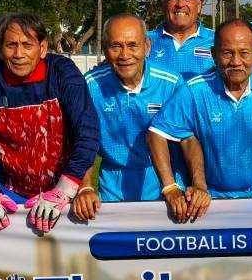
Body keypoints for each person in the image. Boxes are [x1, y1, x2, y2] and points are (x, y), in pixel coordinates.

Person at [148, 19, 252, 221]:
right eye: (227, 53)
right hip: (210, 199)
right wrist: (170, 187)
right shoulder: (194, 89)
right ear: (213, 55)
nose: (236, 61)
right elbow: (156, 133)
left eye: (244, 53)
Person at [0, 13, 101, 234]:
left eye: (27, 45)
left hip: (63, 191)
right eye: (11, 45)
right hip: (9, 193)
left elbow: (87, 131)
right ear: (0, 49)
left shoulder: (62, 72)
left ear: (42, 48)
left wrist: (66, 188)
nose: (18, 54)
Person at [75, 14, 188, 221]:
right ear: (104, 49)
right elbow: (80, 141)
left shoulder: (171, 83)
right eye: (116, 46)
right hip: (112, 185)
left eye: (132, 45)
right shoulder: (89, 86)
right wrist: (85, 187)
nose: (125, 55)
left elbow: (188, 139)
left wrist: (176, 186)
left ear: (147, 46)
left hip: (164, 183)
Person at [147, 0, 216, 79]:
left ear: (199, 5)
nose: (180, 4)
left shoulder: (217, 41)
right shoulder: (145, 41)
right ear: (163, 4)